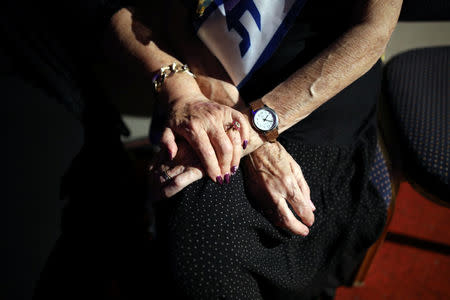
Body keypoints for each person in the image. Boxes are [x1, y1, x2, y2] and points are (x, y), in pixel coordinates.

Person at [3, 0, 401, 299]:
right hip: (207, 70)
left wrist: (259, 126)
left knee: (226, 251)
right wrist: (195, 88)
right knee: (194, 249)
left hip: (313, 91)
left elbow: (372, 30)